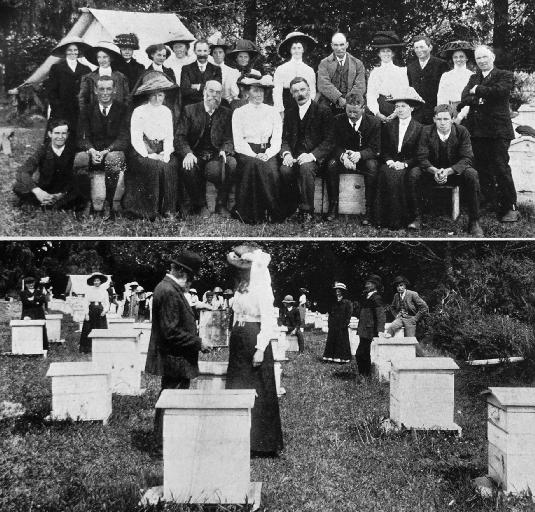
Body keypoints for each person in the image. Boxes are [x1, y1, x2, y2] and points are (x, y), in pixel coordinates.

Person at [145, 251, 211, 444]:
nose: (191, 282)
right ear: (182, 271)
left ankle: (166, 440)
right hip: (174, 358)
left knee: (171, 398)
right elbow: (171, 332)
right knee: (171, 400)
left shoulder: (168, 288)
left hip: (175, 357)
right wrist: (198, 342)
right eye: (190, 277)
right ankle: (164, 444)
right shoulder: (169, 291)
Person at [225, 244, 283, 456]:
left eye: (245, 267)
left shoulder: (262, 289)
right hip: (239, 338)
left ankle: (261, 443)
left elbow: (268, 321)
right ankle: (237, 437)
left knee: (257, 387)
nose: (242, 271)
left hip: (254, 338)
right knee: (237, 383)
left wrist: (260, 348)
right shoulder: (242, 288)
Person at [460, 45, 519, 222]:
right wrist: (480, 96)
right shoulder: (474, 77)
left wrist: (477, 91)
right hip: (478, 131)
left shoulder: (504, 75)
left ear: (492, 57)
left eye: (485, 57)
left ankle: (510, 207)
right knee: (483, 167)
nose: (482, 61)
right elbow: (465, 99)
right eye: (478, 58)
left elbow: (500, 92)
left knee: (500, 166)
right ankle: (491, 202)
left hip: (498, 130)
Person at [409, 104, 484, 236]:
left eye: (446, 119)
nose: (442, 123)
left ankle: (474, 222)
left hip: (455, 173)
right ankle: (417, 217)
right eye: (439, 119)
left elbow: (467, 158)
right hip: (432, 172)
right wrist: (435, 171)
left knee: (472, 174)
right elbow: (421, 156)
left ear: (452, 119)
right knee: (414, 173)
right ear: (434, 119)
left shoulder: (462, 131)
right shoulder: (426, 131)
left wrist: (449, 171)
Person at [123, 72, 182, 220]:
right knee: (153, 166)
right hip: (142, 151)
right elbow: (136, 138)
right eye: (154, 95)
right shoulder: (139, 111)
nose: (157, 99)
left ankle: (168, 210)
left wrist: (166, 154)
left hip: (162, 150)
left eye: (160, 95)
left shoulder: (167, 111)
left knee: (170, 166)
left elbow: (169, 136)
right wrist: (149, 154)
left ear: (165, 96)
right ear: (148, 96)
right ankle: (149, 211)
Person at [174, 80, 236, 218]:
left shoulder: (226, 113)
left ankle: (221, 204)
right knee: (187, 167)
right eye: (211, 91)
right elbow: (180, 137)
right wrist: (188, 153)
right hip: (195, 153)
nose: (214, 95)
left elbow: (229, 137)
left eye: (218, 92)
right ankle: (200, 205)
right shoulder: (189, 110)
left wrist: (224, 149)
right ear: (204, 92)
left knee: (231, 163)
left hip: (215, 154)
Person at [279, 76, 335, 221]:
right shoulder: (290, 113)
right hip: (295, 156)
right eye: (296, 91)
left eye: (303, 89)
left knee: (306, 168)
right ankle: (293, 207)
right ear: (292, 94)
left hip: (315, 158)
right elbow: (284, 138)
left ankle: (307, 211)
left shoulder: (323, 111)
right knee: (285, 170)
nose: (300, 94)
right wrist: (286, 154)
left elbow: (329, 140)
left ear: (310, 90)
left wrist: (312, 155)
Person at [75, 76, 129, 217]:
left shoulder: (123, 109)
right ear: (95, 90)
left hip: (112, 151)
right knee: (80, 158)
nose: (105, 92)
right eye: (101, 89)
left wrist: (106, 151)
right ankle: (87, 202)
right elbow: (81, 137)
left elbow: (123, 138)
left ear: (115, 90)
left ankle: (109, 203)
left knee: (113, 159)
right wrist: (91, 150)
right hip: (93, 151)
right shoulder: (87, 110)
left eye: (109, 89)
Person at [232, 75, 283, 223]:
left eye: (261, 91)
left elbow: (277, 138)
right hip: (246, 152)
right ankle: (252, 214)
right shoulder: (239, 112)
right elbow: (238, 141)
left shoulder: (272, 111)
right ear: (247, 93)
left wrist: (267, 154)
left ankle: (273, 211)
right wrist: (254, 155)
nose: (259, 94)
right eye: (255, 90)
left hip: (268, 151)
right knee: (253, 166)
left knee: (272, 171)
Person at [325, 92, 381, 224]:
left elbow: (376, 148)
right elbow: (332, 144)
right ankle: (333, 205)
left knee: (372, 167)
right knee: (331, 165)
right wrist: (343, 156)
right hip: (343, 158)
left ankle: (368, 209)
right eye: (349, 111)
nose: (352, 115)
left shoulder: (374, 123)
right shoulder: (337, 120)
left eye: (356, 112)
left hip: (363, 159)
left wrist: (360, 155)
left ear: (363, 108)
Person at [375, 88, 424, 229]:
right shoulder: (389, 126)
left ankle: (398, 220)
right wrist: (389, 160)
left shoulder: (420, 128)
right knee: (385, 172)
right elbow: (383, 149)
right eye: (397, 107)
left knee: (399, 176)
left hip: (409, 164)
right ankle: (382, 219)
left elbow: (420, 154)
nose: (400, 109)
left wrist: (404, 164)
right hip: (391, 162)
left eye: (403, 106)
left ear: (412, 108)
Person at [13, 119, 88, 211]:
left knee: (81, 189)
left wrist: (62, 194)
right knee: (18, 186)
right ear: (50, 134)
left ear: (67, 134)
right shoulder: (43, 150)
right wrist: (38, 191)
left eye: (63, 133)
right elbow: (23, 171)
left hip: (65, 191)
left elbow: (77, 178)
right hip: (45, 189)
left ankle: (54, 204)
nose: (60, 137)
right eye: (56, 133)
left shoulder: (72, 150)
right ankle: (48, 203)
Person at [46, 36, 92, 135]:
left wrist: (85, 108)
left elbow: (89, 91)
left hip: (79, 111)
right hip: (61, 110)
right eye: (70, 50)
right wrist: (57, 107)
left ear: (78, 52)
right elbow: (51, 92)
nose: (73, 52)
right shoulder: (57, 68)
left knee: (77, 137)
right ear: (65, 51)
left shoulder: (86, 69)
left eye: (75, 50)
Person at [317, 32, 366, 114]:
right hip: (330, 101)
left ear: (347, 45)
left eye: (342, 45)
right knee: (322, 112)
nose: (339, 48)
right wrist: (338, 98)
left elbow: (360, 86)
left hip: (352, 101)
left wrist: (349, 101)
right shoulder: (324, 63)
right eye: (336, 45)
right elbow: (323, 84)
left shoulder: (357, 63)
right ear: (332, 46)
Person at [366, 31, 409, 122]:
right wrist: (377, 113)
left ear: (393, 54)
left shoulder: (401, 71)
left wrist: (396, 112)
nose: (386, 54)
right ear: (379, 54)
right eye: (383, 51)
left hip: (397, 107)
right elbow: (371, 95)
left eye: (388, 51)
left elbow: (404, 93)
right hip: (380, 106)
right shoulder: (375, 73)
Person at [406, 35, 449, 124]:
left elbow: (446, 90)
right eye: (416, 47)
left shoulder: (441, 64)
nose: (419, 50)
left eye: (422, 47)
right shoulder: (410, 67)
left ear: (430, 47)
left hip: (435, 112)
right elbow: (410, 88)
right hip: (416, 114)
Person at [78, 41, 130, 115]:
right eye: (99, 57)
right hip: (95, 118)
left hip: (117, 117)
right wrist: (86, 116)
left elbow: (127, 99)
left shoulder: (121, 77)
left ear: (111, 58)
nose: (101, 60)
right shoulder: (89, 78)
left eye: (105, 57)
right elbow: (82, 100)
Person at [273, 31, 317, 115]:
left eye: (299, 48)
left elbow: (312, 91)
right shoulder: (281, 69)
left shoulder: (309, 70)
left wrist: (309, 109)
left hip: (304, 105)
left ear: (303, 49)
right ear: (290, 50)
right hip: (287, 105)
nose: (297, 51)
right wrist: (280, 110)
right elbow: (277, 92)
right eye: (294, 48)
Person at [437, 40, 475, 124]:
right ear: (452, 59)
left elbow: (472, 98)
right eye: (455, 57)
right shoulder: (446, 76)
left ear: (466, 58)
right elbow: (441, 97)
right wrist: (445, 115)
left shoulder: (472, 76)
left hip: (468, 110)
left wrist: (461, 116)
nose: (458, 59)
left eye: (461, 56)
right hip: (451, 110)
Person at [356, 275, 385, 378]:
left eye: (369, 283)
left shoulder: (377, 298)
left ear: (375, 285)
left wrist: (380, 330)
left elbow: (381, 315)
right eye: (366, 283)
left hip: (370, 330)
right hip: (363, 329)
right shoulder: (366, 296)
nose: (366, 285)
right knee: (363, 353)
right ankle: (363, 375)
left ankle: (365, 375)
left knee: (361, 353)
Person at [180, 40, 222, 108]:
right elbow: (185, 91)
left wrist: (197, 86)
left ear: (209, 51)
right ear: (194, 51)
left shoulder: (216, 69)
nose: (202, 54)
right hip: (191, 106)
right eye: (199, 51)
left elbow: (216, 89)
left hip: (210, 106)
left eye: (205, 51)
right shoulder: (186, 69)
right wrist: (208, 88)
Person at [79, 272, 109, 353]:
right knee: (88, 328)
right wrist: (86, 313)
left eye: (98, 280)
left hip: (100, 310)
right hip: (91, 309)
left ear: (100, 282)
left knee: (100, 328)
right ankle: (87, 348)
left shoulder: (104, 291)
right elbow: (85, 302)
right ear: (93, 282)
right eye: (95, 281)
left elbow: (107, 303)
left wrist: (105, 311)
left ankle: (101, 348)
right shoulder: (89, 290)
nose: (96, 282)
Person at [322, 282, 353, 363]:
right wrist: (330, 322)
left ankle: (342, 358)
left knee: (342, 341)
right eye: (336, 290)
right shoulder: (333, 302)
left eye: (339, 291)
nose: (337, 292)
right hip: (333, 324)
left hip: (342, 325)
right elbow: (330, 313)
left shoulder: (347, 302)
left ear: (343, 291)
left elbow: (348, 314)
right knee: (332, 340)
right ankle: (330, 357)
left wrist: (345, 323)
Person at [19, 276, 49, 352]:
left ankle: (43, 348)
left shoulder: (39, 291)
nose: (31, 285)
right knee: (28, 330)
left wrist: (33, 299)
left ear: (34, 283)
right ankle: (28, 349)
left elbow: (42, 300)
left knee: (41, 330)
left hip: (39, 313)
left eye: (32, 282)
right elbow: (25, 303)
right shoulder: (23, 293)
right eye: (29, 283)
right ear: (26, 285)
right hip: (28, 313)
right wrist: (36, 301)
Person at [209, 38, 240, 106]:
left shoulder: (232, 71)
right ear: (212, 55)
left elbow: (234, 93)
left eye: (220, 52)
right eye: (215, 52)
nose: (218, 55)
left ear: (224, 54)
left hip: (226, 104)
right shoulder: (207, 69)